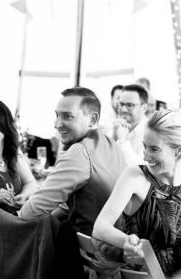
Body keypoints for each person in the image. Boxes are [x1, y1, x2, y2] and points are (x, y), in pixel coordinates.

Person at [92, 110, 181, 276]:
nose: (145, 156)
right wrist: (127, 242)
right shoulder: (134, 175)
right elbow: (100, 227)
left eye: (154, 149)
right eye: (145, 146)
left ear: (179, 150)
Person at [19, 87, 126, 235]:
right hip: (116, 242)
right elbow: (69, 203)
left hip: (91, 251)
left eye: (67, 116)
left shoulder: (80, 151)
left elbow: (34, 208)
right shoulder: (112, 144)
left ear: (92, 119)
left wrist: (13, 221)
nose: (56, 124)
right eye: (57, 115)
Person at [111, 84, 150, 165]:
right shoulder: (117, 126)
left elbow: (141, 170)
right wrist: (113, 139)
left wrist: (122, 141)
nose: (123, 109)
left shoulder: (151, 132)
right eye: (121, 104)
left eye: (130, 105)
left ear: (144, 108)